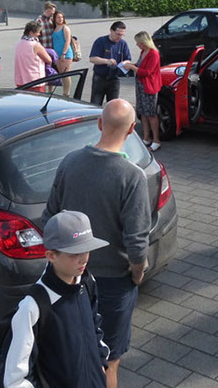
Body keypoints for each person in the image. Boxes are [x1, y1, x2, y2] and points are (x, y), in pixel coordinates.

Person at [41, 99, 150, 388]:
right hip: (113, 284)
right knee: (108, 361)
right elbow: (137, 242)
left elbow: (49, 218)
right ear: (132, 129)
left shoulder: (69, 162)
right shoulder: (132, 177)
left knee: (74, 355)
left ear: (100, 124)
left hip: (69, 280)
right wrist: (138, 273)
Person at [2, 210, 110, 388]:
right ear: (51, 256)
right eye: (74, 253)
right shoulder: (33, 306)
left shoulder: (87, 282)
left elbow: (94, 327)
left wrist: (101, 363)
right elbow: (15, 379)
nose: (83, 259)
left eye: (87, 250)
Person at [122, 31, 162, 151]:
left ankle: (156, 140)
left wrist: (132, 67)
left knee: (151, 114)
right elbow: (140, 65)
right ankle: (146, 137)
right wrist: (131, 65)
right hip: (141, 86)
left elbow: (147, 72)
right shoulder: (143, 52)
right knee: (143, 112)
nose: (137, 45)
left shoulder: (153, 54)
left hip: (149, 86)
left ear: (144, 42)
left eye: (138, 43)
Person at [89, 22, 132, 106]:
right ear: (111, 31)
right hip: (100, 78)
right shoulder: (101, 41)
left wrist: (125, 63)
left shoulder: (123, 43)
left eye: (122, 35)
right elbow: (92, 59)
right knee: (95, 104)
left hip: (114, 78)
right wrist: (106, 61)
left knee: (113, 106)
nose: (119, 37)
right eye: (118, 34)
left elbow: (128, 59)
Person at [15, 22, 52, 93]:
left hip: (21, 79)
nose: (39, 34)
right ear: (31, 33)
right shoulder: (36, 45)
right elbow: (48, 60)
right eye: (38, 32)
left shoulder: (19, 43)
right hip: (35, 80)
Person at [51, 11, 74, 97]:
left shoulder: (65, 28)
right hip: (57, 54)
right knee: (61, 74)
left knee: (66, 73)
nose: (60, 19)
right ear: (54, 19)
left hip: (65, 54)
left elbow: (68, 41)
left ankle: (66, 93)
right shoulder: (55, 28)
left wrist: (64, 53)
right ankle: (64, 92)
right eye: (58, 17)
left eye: (62, 17)